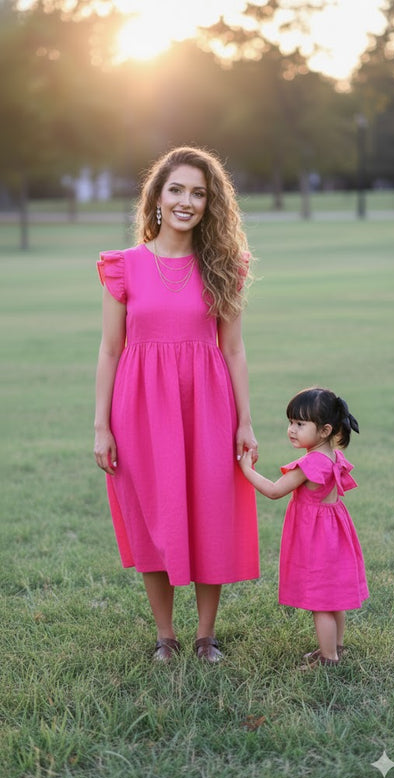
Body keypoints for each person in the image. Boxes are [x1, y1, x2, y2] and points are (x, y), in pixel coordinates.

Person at [94, 146, 259, 663]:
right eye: (177, 190)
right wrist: (101, 426)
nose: (187, 201)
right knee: (153, 515)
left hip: (208, 405)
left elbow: (233, 349)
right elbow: (110, 349)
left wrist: (245, 421)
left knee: (211, 511)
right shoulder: (124, 267)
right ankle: (165, 636)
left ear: (210, 204)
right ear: (157, 198)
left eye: (199, 193)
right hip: (139, 409)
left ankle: (206, 636)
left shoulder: (223, 267)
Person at [239, 387, 369, 669]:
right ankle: (336, 646)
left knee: (320, 602)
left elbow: (274, 491)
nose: (292, 430)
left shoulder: (311, 464)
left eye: (300, 424)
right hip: (334, 535)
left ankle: (328, 658)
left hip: (317, 539)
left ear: (324, 430)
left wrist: (247, 470)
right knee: (333, 597)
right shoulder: (333, 457)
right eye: (291, 422)